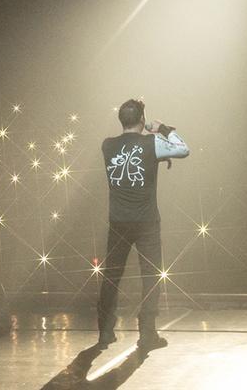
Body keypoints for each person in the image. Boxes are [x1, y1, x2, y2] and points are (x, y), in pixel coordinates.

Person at [96, 98, 189, 351]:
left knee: (112, 276)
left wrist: (146, 133)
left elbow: (130, 147)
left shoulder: (107, 145)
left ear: (121, 120)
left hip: (118, 222)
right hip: (146, 222)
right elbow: (183, 149)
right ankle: (147, 334)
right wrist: (161, 128)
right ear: (141, 119)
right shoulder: (152, 142)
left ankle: (105, 331)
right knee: (151, 277)